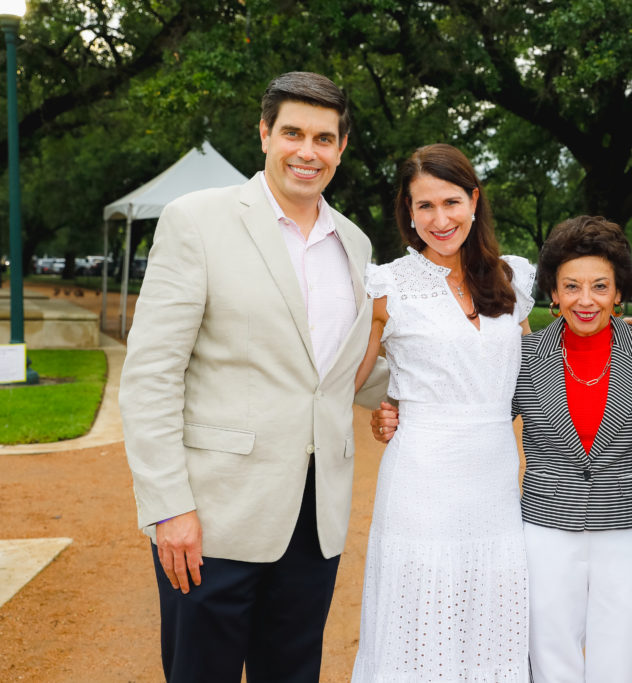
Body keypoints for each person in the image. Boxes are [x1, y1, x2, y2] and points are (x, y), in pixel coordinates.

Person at [119, 71, 388, 682]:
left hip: (315, 520)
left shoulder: (355, 244)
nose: (307, 151)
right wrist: (169, 508)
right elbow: (151, 375)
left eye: (324, 138)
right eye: (293, 132)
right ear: (265, 134)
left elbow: (342, 370)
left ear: (341, 149)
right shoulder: (197, 220)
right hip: (214, 516)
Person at [350, 143, 535, 681]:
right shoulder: (387, 286)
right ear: (408, 213)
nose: (439, 219)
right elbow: (346, 377)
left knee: (490, 616)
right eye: (423, 206)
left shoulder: (513, 279)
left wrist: (630, 339)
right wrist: (388, 404)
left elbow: (542, 373)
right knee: (419, 617)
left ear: (474, 200)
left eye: (450, 202)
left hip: (496, 479)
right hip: (421, 480)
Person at [512, 216, 632, 682]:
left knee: (617, 664)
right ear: (554, 293)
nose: (586, 300)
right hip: (545, 529)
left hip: (627, 529)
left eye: (600, 286)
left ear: (619, 292)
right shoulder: (524, 357)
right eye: (572, 287)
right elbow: (479, 421)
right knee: (548, 656)